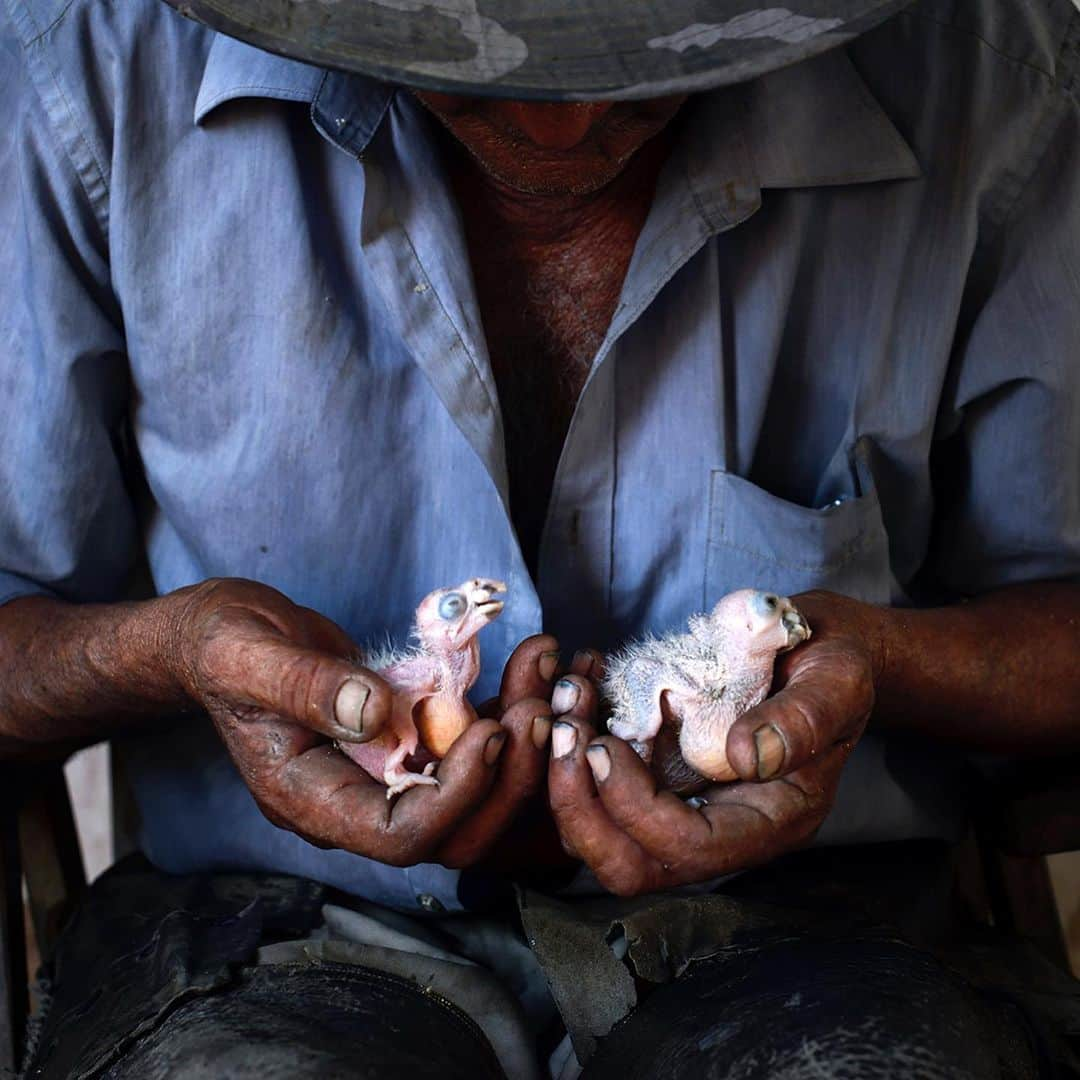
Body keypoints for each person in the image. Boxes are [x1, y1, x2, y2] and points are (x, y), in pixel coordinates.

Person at [1, 0, 1079, 1075]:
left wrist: (881, 664)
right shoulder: (86, 63)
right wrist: (172, 654)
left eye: (643, 62)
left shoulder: (995, 75)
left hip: (831, 926)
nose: (561, 127)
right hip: (267, 934)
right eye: (466, 58)